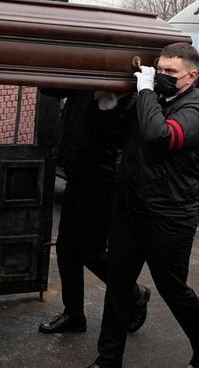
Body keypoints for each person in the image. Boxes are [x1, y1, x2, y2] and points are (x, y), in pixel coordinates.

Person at [86, 43, 199, 368]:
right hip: (130, 210)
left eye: (169, 73)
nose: (160, 77)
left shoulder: (198, 113)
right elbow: (115, 137)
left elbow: (158, 136)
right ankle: (108, 360)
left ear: (191, 76)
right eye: (158, 70)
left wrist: (144, 91)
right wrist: (108, 106)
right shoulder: (153, 101)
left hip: (169, 218)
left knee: (173, 290)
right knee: (117, 288)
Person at [36, 89, 151, 335]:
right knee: (67, 250)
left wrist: (106, 105)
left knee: (92, 252)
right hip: (78, 172)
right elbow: (50, 88)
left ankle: (134, 294)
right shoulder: (85, 78)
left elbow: (114, 135)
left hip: (102, 178)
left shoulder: (124, 89)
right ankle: (74, 315)